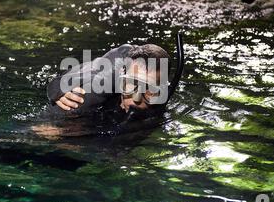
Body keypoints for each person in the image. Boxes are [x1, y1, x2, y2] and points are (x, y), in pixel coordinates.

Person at [32, 43, 172, 137]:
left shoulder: (161, 97)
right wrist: (57, 92)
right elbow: (42, 129)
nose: (136, 99)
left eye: (149, 90)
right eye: (130, 85)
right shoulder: (96, 86)